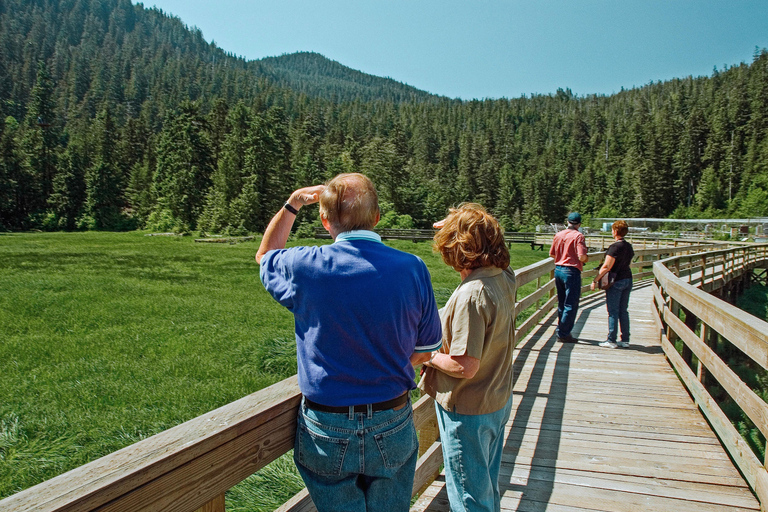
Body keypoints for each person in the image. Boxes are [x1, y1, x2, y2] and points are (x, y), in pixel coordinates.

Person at [256, 173, 442, 512]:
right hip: (392, 414)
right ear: (376, 218)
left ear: (325, 220)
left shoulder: (304, 265)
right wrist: (392, 361)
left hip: (326, 423)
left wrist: (294, 202)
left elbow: (266, 255)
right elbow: (427, 347)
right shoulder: (413, 268)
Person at [417, 203, 516, 512]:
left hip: (468, 409)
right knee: (485, 486)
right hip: (495, 399)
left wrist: (427, 356)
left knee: (469, 497)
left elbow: (463, 365)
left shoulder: (471, 294)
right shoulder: (503, 276)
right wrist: (461, 222)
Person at [591, 220, 635, 348]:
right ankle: (625, 340)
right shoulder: (628, 246)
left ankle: (611, 340)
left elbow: (607, 266)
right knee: (623, 310)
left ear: (615, 231)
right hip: (628, 278)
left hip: (616, 281)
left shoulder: (615, 247)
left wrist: (596, 279)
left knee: (613, 311)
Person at [549, 212, 589, 343]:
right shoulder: (578, 236)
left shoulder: (559, 235)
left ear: (568, 222)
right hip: (571, 271)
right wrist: (585, 259)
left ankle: (561, 328)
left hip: (558, 269)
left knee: (561, 302)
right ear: (579, 224)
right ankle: (564, 333)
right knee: (571, 303)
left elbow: (552, 254)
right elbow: (582, 256)